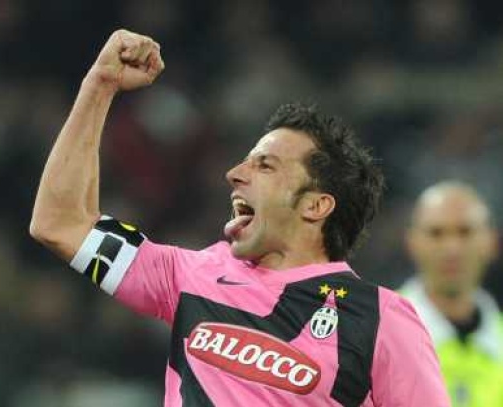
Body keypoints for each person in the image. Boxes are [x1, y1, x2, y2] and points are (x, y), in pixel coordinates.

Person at [29, 29, 450, 406]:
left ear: (315, 206)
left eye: (265, 166)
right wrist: (99, 86)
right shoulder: (190, 276)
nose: (234, 174)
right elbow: (60, 223)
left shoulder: (380, 319)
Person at [401, 181, 503, 407]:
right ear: (412, 243)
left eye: (465, 232)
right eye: (436, 233)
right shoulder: (375, 333)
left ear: (492, 242)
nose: (452, 248)